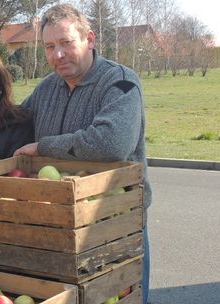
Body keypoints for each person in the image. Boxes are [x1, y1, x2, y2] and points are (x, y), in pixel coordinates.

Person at [13, 4, 152, 304]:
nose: (57, 55)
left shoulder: (121, 82)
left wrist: (44, 146)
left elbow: (111, 143)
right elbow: (11, 126)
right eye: (50, 46)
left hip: (113, 223)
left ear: (89, 39)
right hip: (58, 222)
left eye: (66, 43)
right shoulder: (47, 88)